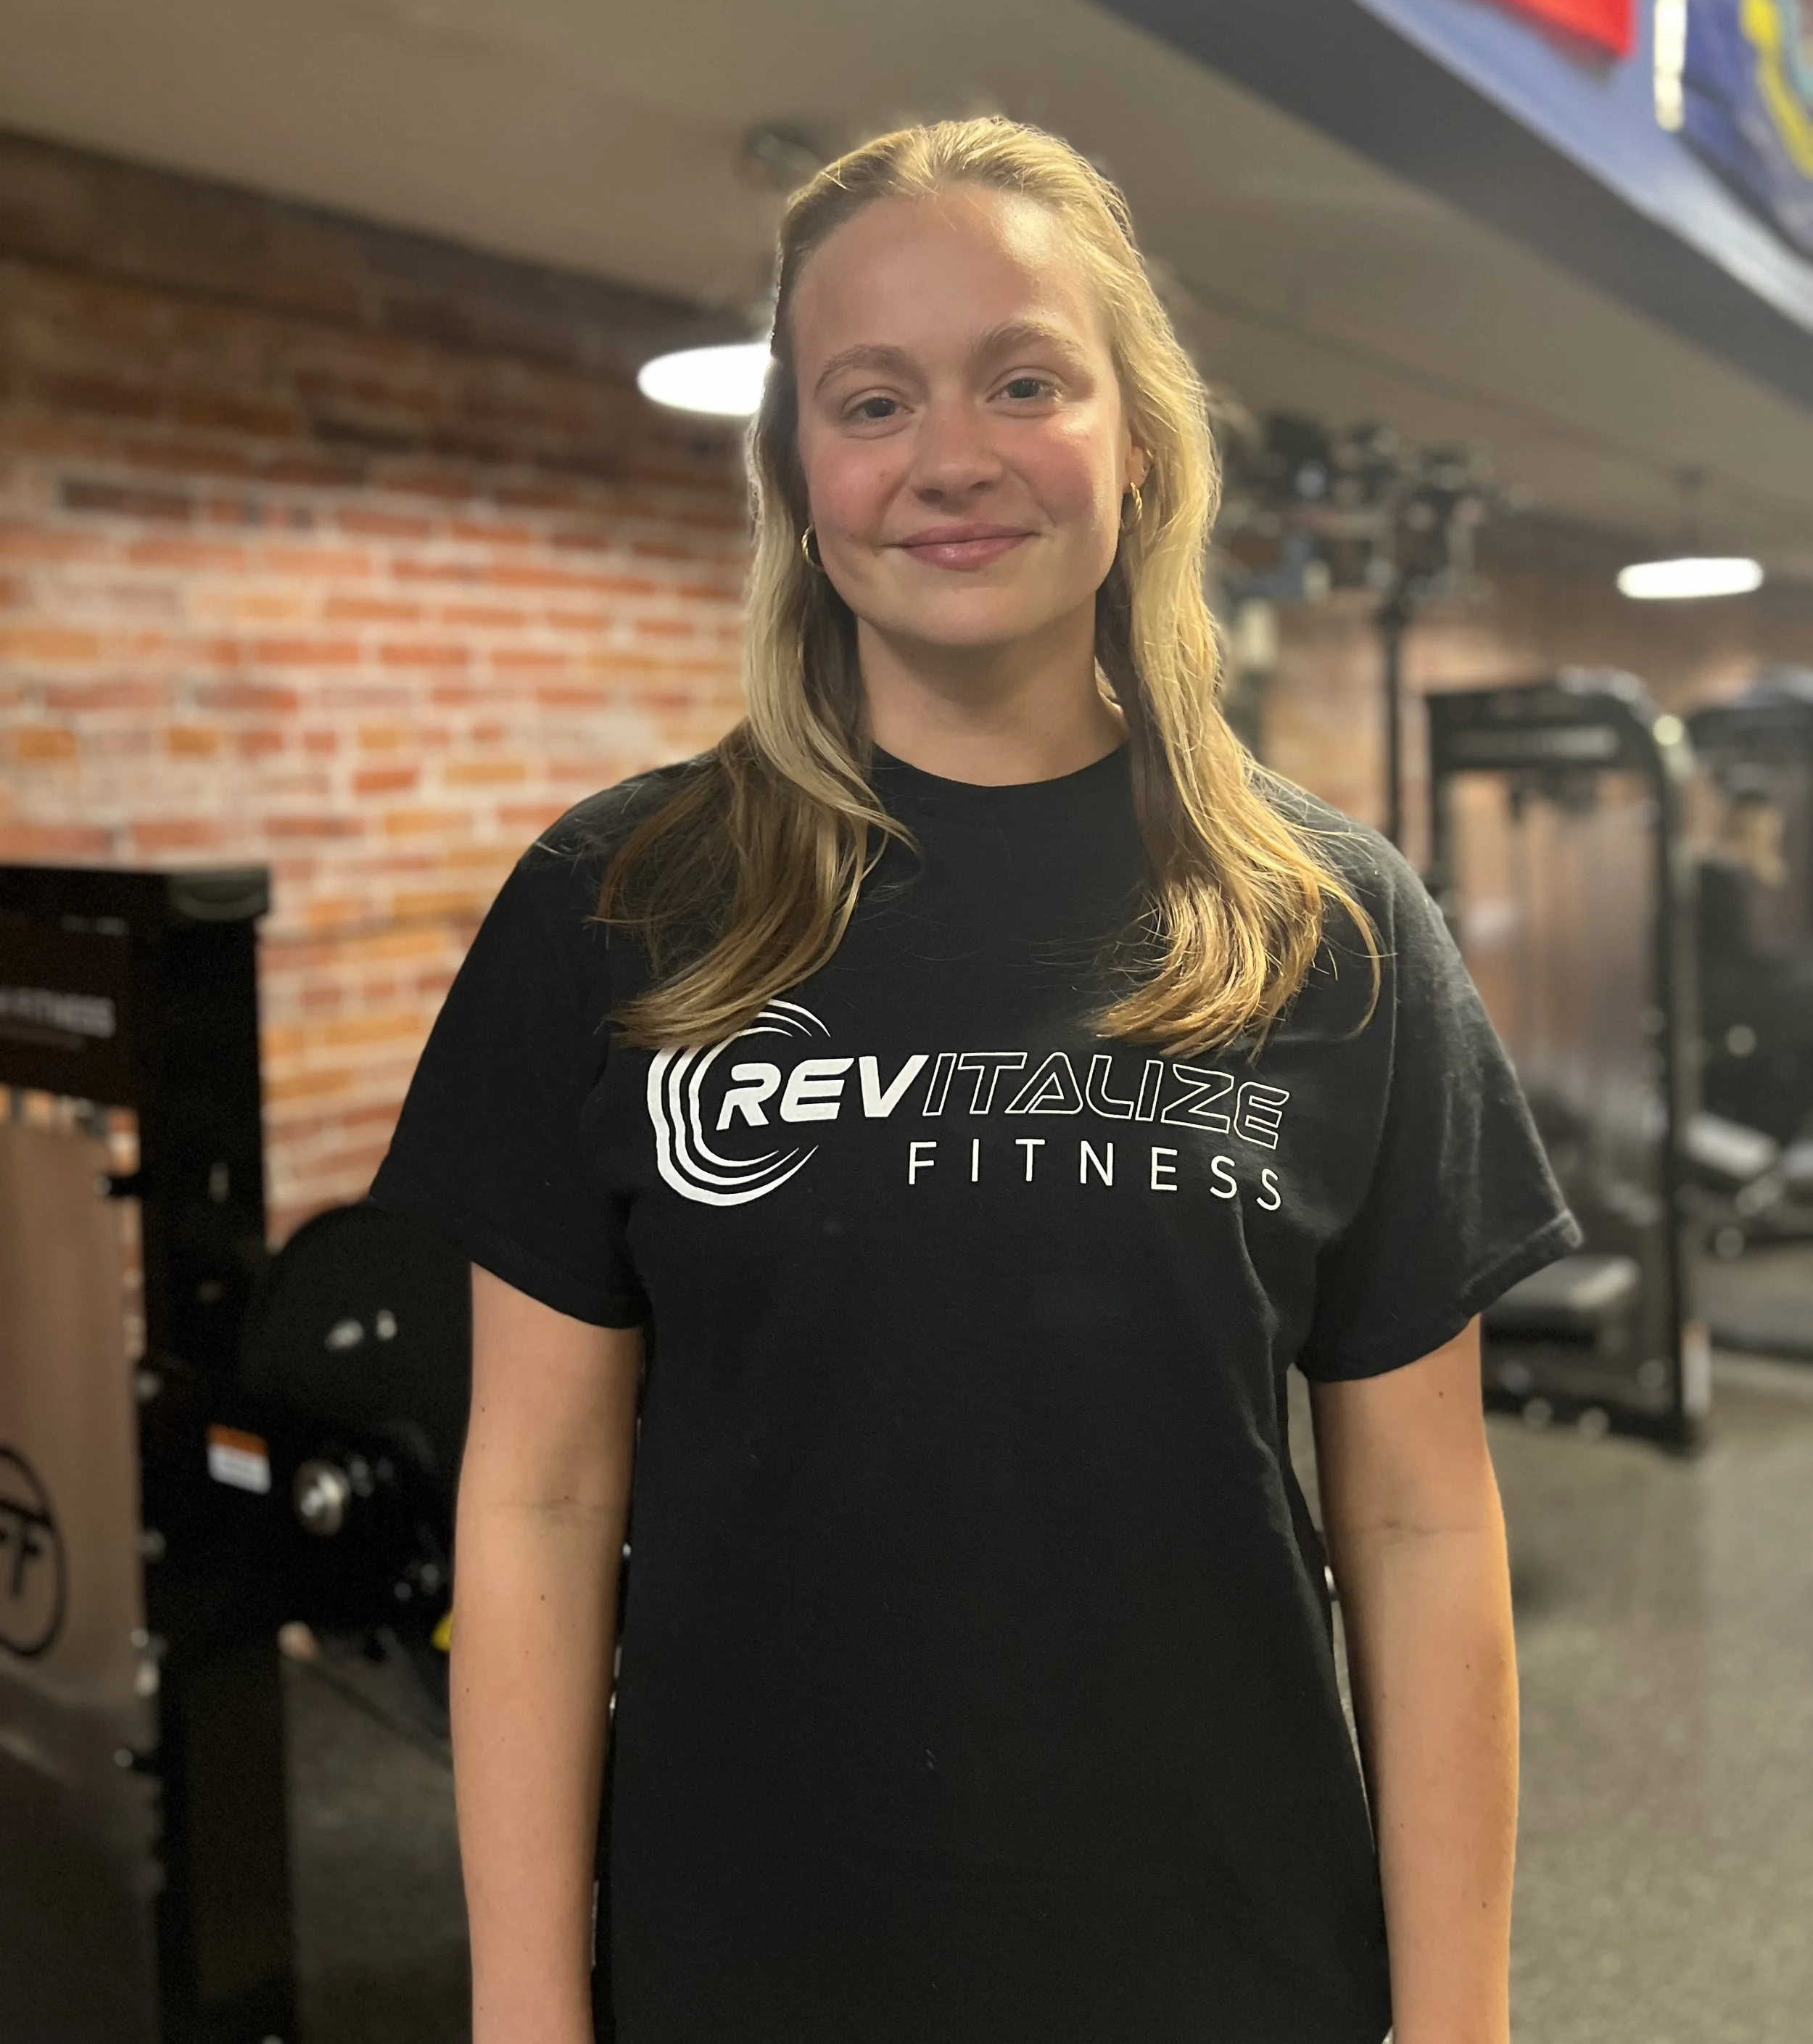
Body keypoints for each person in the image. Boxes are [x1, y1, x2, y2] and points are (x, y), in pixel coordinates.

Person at [371, 118, 1579, 2044]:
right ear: (797, 469)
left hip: (1228, 1964)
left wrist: (1457, 2021)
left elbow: (1423, 1527)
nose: (949, 455)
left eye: (1024, 378)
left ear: (1137, 438)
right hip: (748, 1962)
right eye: (872, 397)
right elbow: (531, 1494)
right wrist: (524, 2008)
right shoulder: (621, 901)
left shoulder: (1323, 923)